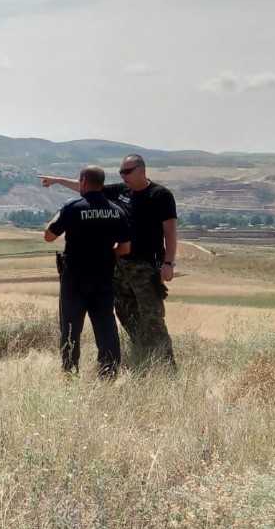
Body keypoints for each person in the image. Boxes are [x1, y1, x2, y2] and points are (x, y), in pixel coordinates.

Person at [39, 153, 178, 370]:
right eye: (121, 172)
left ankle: (166, 366)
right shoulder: (121, 192)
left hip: (146, 266)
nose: (123, 176)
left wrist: (168, 263)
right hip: (119, 266)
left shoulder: (160, 195)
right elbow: (89, 188)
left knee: (152, 316)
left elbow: (170, 231)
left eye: (127, 172)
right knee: (124, 313)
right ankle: (143, 355)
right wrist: (57, 181)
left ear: (142, 170)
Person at [42, 165, 131, 378]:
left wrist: (60, 213)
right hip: (103, 278)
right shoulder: (116, 211)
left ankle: (70, 374)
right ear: (101, 183)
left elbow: (48, 236)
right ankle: (109, 373)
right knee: (106, 327)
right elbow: (125, 248)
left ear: (83, 181)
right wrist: (105, 255)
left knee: (70, 329)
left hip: (74, 279)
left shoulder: (73, 208)